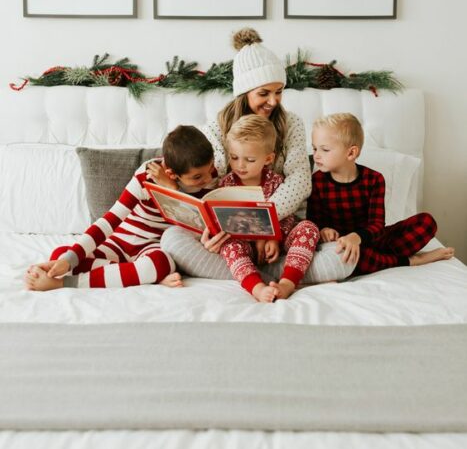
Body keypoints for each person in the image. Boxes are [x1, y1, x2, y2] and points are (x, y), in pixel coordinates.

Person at [161, 28, 356, 284]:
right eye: (264, 93)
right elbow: (207, 186)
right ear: (244, 93)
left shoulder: (291, 124)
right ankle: (271, 274)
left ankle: (256, 274)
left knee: (341, 257)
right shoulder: (215, 129)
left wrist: (266, 229)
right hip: (232, 238)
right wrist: (207, 232)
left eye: (279, 91)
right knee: (171, 239)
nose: (274, 101)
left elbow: (300, 182)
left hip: (282, 233)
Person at [25, 126, 218, 291]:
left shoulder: (209, 178)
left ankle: (65, 283)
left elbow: (193, 227)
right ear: (171, 173)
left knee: (161, 264)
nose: (208, 179)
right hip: (121, 241)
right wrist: (70, 258)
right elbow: (111, 219)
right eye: (197, 177)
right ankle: (134, 273)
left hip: (153, 246)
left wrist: (172, 190)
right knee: (61, 255)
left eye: (209, 169)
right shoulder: (146, 175)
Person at [308, 113, 455, 275]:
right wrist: (324, 230)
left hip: (370, 239)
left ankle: (380, 259)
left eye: (325, 150)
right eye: (314, 148)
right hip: (340, 246)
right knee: (350, 256)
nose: (316, 155)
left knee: (426, 221)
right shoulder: (317, 181)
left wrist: (356, 237)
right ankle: (411, 260)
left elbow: (377, 225)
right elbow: (313, 222)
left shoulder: (374, 179)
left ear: (351, 153)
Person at [217, 115, 320, 302]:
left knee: (308, 228)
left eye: (249, 159)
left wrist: (273, 236)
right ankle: (256, 287)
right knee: (229, 246)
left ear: (268, 159)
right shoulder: (226, 184)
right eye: (234, 157)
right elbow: (227, 223)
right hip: (245, 246)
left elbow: (286, 216)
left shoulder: (276, 182)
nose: (240, 165)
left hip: (278, 241)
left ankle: (287, 283)